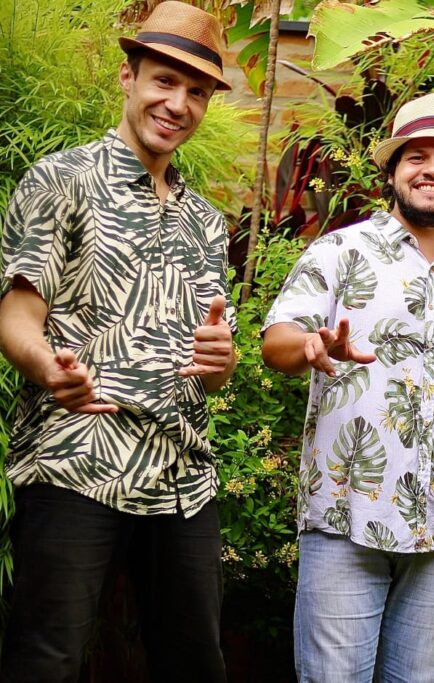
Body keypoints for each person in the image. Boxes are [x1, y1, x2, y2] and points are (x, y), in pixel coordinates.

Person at [0, 3, 237, 681]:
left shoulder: (206, 223)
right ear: (128, 76)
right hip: (79, 456)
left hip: (181, 476)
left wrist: (222, 361)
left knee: (196, 664)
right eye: (165, 81)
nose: (179, 104)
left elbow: (212, 367)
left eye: (196, 92)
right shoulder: (60, 180)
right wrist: (48, 367)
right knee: (48, 660)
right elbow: (17, 313)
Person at [261, 92, 434, 682]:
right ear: (392, 172)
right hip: (347, 515)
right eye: (418, 157)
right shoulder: (340, 251)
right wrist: (312, 347)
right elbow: (277, 339)